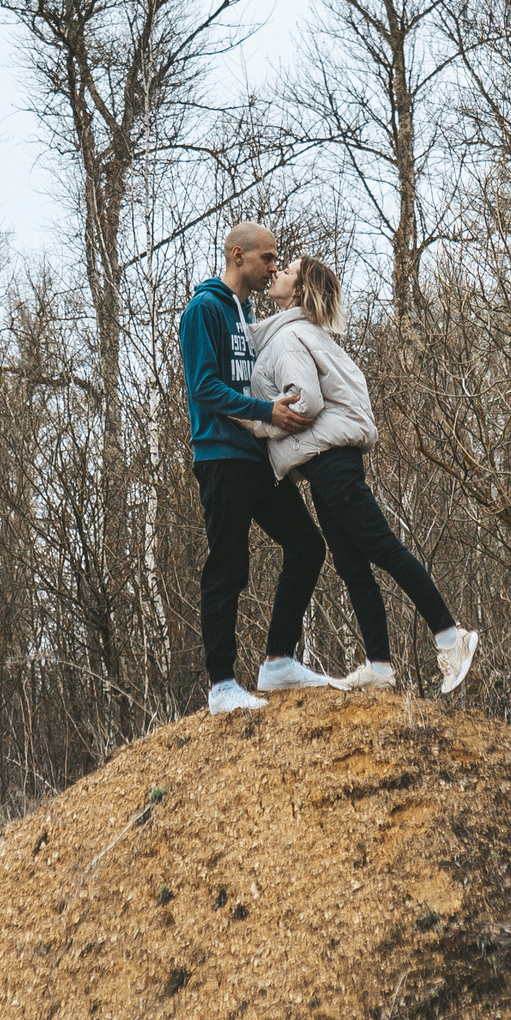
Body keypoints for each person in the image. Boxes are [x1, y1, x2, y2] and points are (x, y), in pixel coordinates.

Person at [247, 255, 479, 694]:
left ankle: (451, 637)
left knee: (383, 549)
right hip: (328, 465)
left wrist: (253, 421)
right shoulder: (303, 333)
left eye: (288, 270)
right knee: (353, 565)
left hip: (331, 464)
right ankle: (379, 666)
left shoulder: (290, 337)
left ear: (299, 290)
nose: (276, 272)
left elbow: (304, 402)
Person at [178, 222, 339, 716]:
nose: (273, 267)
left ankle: (277, 661)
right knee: (228, 565)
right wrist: (265, 411)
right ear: (237, 255)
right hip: (220, 456)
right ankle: (222, 685)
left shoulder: (247, 315)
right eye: (267, 258)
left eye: (276, 260)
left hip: (256, 458)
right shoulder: (203, 309)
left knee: (308, 544)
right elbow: (204, 387)